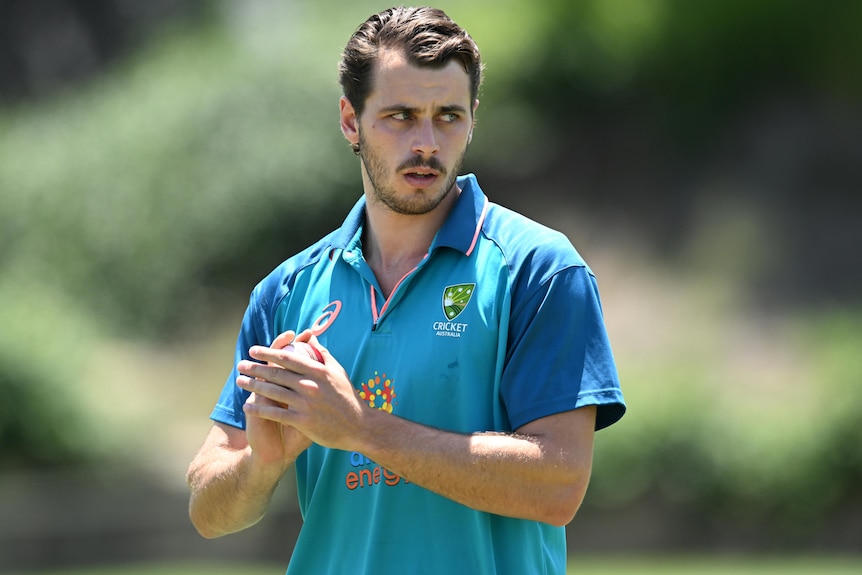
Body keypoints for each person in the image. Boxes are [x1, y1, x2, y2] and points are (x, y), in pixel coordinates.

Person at [186, 6, 625, 574]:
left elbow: (558, 485)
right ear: (350, 120)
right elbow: (208, 511)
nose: (427, 142)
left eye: (448, 117)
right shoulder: (287, 290)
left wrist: (359, 428)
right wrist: (264, 464)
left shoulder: (538, 269)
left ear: (472, 120)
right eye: (400, 116)